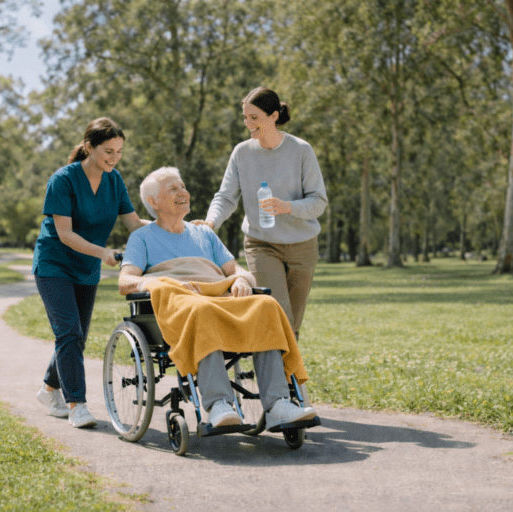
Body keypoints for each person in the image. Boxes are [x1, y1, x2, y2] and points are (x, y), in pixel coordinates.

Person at [119, 167, 317, 430]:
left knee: (266, 305)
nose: (183, 193)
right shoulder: (141, 238)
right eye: (173, 189)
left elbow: (236, 270)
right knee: (200, 309)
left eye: (182, 186)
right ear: (153, 202)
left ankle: (278, 404)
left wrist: (241, 280)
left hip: (217, 297)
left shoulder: (204, 234)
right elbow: (125, 282)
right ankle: (218, 405)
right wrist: (160, 282)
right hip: (180, 302)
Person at [32, 117, 149, 428]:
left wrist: (175, 225)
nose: (113, 158)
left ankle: (48, 389)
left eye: (119, 152)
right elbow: (65, 234)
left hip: (85, 268)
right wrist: (104, 253)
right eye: (108, 151)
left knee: (76, 337)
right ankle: (77, 405)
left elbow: (134, 223)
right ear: (88, 147)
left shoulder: (114, 180)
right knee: (69, 332)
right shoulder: (63, 180)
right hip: (54, 265)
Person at [193, 87, 328, 343]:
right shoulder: (242, 153)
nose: (248, 124)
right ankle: (279, 381)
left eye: (254, 117)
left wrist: (288, 207)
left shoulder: (301, 150)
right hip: (261, 244)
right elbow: (225, 196)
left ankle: (288, 379)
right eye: (245, 117)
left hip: (303, 246)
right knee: (277, 315)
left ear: (274, 116)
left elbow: (318, 202)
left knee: (292, 324)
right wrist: (211, 221)